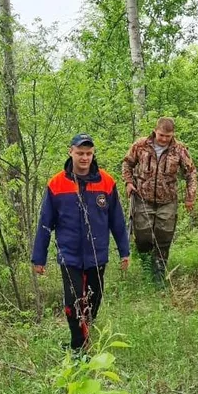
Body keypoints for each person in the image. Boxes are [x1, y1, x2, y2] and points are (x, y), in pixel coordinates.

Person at [32, 133, 130, 352]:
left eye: (88, 153)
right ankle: (79, 349)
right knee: (73, 302)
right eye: (80, 153)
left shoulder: (106, 181)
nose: (84, 158)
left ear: (93, 154)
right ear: (71, 152)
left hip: (97, 254)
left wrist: (124, 251)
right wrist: (39, 257)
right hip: (70, 255)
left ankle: (86, 329)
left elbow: (117, 221)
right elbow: (45, 223)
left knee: (93, 300)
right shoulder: (57, 184)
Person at [121, 117, 198, 283]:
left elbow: (191, 173)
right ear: (155, 131)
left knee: (164, 236)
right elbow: (127, 164)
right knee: (142, 236)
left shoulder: (179, 150)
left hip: (168, 200)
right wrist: (128, 182)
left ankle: (158, 276)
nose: (164, 139)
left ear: (173, 135)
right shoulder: (140, 145)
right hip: (142, 197)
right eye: (161, 135)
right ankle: (146, 265)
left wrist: (190, 197)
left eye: (168, 136)